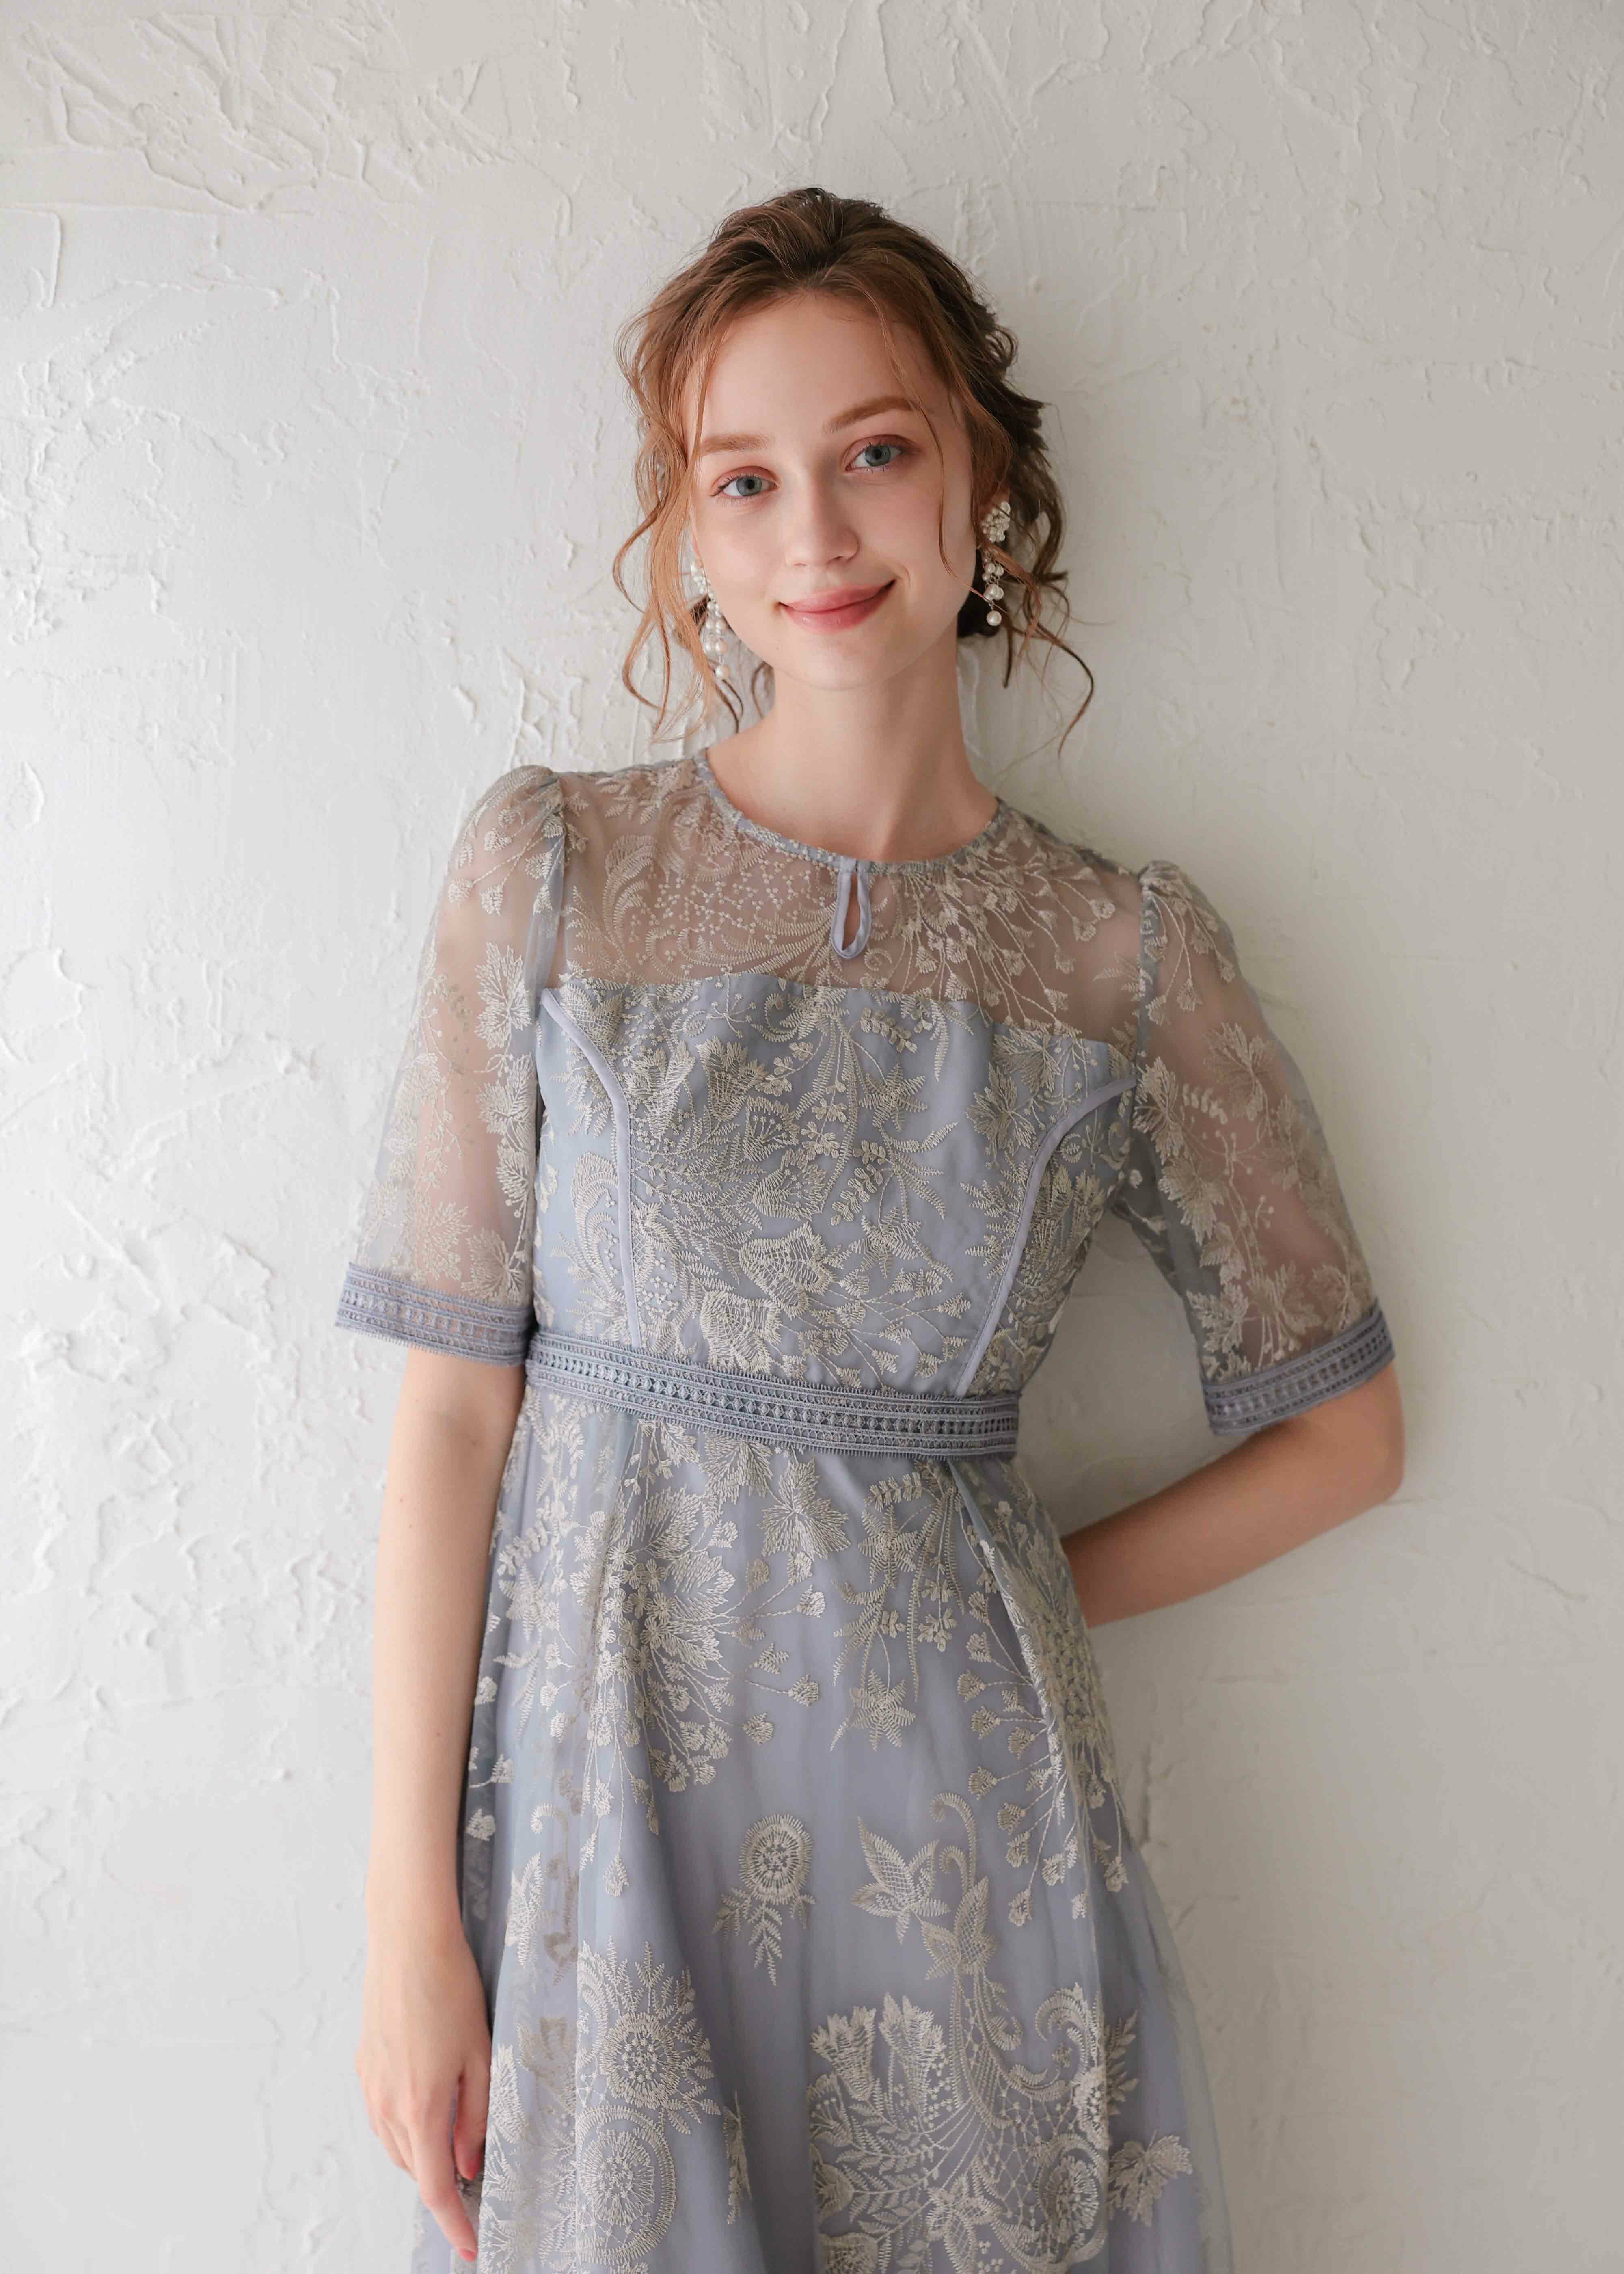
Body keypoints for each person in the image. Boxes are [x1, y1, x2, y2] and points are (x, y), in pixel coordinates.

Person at [339, 186, 1403, 2274]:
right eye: (743, 476)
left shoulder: (1118, 956)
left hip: (965, 1852)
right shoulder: (555, 869)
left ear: (978, 480)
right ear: (688, 528)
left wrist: (993, 1587)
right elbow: (453, 1419)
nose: (812, 532)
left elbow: (1342, 1436)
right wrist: (405, 1927)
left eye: (875, 451)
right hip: (601, 1854)